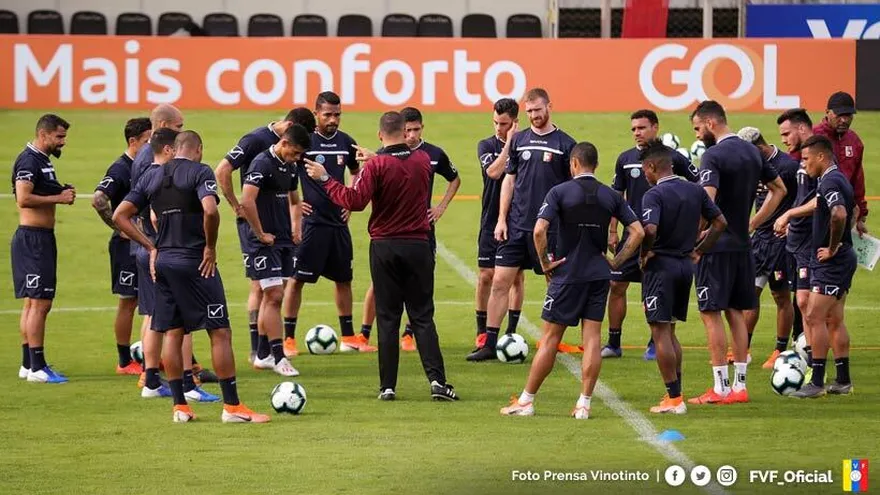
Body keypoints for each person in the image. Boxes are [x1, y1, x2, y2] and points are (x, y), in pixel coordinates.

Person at [113, 129, 270, 423]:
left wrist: (150, 245)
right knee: (219, 331)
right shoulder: (200, 172)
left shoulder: (151, 174)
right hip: (196, 263)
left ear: (172, 149)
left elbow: (120, 215)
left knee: (173, 331)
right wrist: (210, 248)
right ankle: (233, 408)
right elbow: (210, 211)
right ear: (197, 149)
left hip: (163, 262)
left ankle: (180, 407)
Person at [304, 111, 458, 402]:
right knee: (422, 316)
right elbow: (400, 163)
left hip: (385, 247)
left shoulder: (375, 167)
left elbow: (354, 201)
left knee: (387, 318)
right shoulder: (423, 161)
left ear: (379, 135)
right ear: (404, 132)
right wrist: (376, 159)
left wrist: (325, 178)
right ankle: (438, 382)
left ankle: (388, 387)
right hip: (418, 246)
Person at [500, 141, 644, 419]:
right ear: (596, 165)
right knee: (592, 338)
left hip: (567, 275)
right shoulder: (610, 195)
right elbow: (637, 231)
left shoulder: (559, 192)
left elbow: (539, 230)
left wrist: (544, 263)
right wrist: (617, 261)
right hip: (599, 274)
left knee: (551, 338)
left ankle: (527, 401)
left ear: (574, 164)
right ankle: (584, 404)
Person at [467, 88, 577, 361]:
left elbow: (572, 189)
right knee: (500, 282)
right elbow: (508, 180)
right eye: (529, 111)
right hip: (515, 227)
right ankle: (490, 344)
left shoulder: (565, 144)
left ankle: (552, 339)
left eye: (538, 110)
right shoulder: (519, 141)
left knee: (556, 283)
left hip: (548, 230)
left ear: (549, 107)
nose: (534, 116)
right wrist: (502, 219)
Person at [688, 100, 786, 406]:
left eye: (697, 127)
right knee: (736, 313)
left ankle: (719, 388)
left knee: (710, 313)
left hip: (716, 247)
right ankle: (740, 386)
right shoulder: (751, 151)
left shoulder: (713, 155)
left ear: (711, 123)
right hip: (744, 246)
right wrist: (753, 222)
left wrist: (695, 238)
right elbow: (779, 189)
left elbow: (708, 202)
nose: (697, 134)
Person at [215, 108, 316, 364]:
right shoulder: (255, 141)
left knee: (270, 288)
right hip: (256, 224)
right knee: (261, 287)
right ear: (289, 128)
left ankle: (263, 350)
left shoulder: (288, 156)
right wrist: (235, 205)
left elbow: (292, 193)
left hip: (278, 224)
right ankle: (258, 349)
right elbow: (223, 169)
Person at [130, 105, 217, 399]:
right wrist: (152, 243)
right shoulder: (160, 165)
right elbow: (156, 212)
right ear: (168, 146)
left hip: (150, 246)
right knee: (181, 323)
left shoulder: (143, 157)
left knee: (157, 316)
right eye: (179, 128)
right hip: (166, 247)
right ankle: (187, 384)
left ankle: (151, 377)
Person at [358, 107, 461, 352]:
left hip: (422, 232)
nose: (412, 135)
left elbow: (454, 179)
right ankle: (364, 333)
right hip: (391, 233)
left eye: (416, 130)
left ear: (422, 128)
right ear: (401, 131)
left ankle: (409, 333)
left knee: (419, 287)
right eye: (408, 131)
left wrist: (440, 208)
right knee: (379, 285)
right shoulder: (385, 155)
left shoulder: (433, 154)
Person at [602, 110, 699, 361]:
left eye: (642, 128)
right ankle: (614, 342)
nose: (637, 133)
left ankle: (656, 341)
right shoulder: (625, 159)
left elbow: (699, 186)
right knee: (616, 284)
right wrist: (613, 230)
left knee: (656, 289)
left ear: (655, 128)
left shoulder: (673, 158)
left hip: (662, 240)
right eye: (634, 128)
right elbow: (616, 196)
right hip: (632, 236)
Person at [638, 142, 727, 414]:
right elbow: (720, 222)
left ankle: (674, 399)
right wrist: (700, 250)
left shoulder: (654, 195)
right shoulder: (695, 190)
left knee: (660, 331)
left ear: (653, 166)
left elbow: (650, 228)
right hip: (685, 267)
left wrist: (645, 252)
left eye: (645, 170)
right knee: (671, 329)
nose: (645, 176)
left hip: (661, 267)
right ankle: (676, 393)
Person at [290, 92, 373, 354]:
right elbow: (284, 172)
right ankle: (288, 339)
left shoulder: (347, 143)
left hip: (338, 223)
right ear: (316, 113)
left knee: (343, 280)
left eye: (337, 114)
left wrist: (350, 198)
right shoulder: (305, 141)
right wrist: (294, 203)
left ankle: (348, 337)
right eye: (327, 114)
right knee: (297, 279)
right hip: (311, 223)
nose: (333, 119)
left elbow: (357, 171)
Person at [240, 124, 310, 376]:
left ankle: (262, 355)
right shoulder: (261, 163)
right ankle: (279, 356)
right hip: (263, 242)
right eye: (296, 152)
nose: (298, 158)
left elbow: (294, 199)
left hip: (283, 240)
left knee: (273, 296)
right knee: (274, 296)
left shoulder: (290, 165)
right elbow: (246, 201)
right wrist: (259, 233)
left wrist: (296, 227)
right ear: (284, 143)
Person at [792, 135, 857, 398]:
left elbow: (840, 213)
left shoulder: (829, 180)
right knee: (834, 319)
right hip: (843, 259)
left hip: (832, 262)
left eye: (806, 159)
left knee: (813, 316)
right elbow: (851, 213)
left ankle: (817, 381)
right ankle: (843, 380)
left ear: (821, 157)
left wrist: (832, 247)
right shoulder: (837, 177)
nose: (803, 164)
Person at [12, 114, 75, 383]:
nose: (63, 142)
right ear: (44, 134)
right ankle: (38, 366)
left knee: (31, 302)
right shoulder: (28, 160)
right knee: (40, 303)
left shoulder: (42, 160)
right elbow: (23, 198)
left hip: (38, 239)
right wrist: (58, 198)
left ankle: (28, 364)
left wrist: (60, 190)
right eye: (59, 137)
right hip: (34, 240)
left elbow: (39, 190)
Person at [736, 127, 800, 369]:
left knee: (780, 295)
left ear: (758, 147)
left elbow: (800, 200)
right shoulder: (753, 164)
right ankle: (744, 348)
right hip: (759, 241)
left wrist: (791, 223)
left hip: (781, 242)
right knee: (750, 294)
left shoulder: (788, 167)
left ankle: (780, 350)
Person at [92, 117, 152, 375]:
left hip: (142, 241)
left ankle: (150, 356)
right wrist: (121, 229)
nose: (151, 145)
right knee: (129, 301)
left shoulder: (146, 165)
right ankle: (124, 361)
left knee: (149, 299)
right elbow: (98, 200)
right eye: (147, 140)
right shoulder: (121, 168)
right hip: (125, 246)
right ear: (133, 141)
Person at [473, 98, 526, 350]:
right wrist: (509, 144)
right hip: (490, 219)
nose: (498, 128)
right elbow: (493, 172)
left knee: (516, 278)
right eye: (495, 122)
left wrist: (516, 141)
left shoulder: (528, 144)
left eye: (503, 124)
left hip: (517, 220)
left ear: (514, 122)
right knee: (485, 276)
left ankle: (511, 332)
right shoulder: (486, 144)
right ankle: (481, 332)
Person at [773, 109, 817, 365]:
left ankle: (815, 361)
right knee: (802, 300)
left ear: (802, 129)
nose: (784, 139)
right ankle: (806, 350)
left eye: (787, 133)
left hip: (813, 245)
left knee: (811, 303)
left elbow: (824, 198)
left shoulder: (818, 158)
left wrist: (790, 214)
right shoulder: (802, 159)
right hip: (799, 241)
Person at [813, 91, 868, 236]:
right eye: (839, 115)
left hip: (845, 212)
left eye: (848, 115)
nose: (844, 120)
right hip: (816, 212)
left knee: (841, 253)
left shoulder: (854, 141)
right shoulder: (813, 137)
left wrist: (861, 215)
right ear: (827, 113)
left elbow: (858, 179)